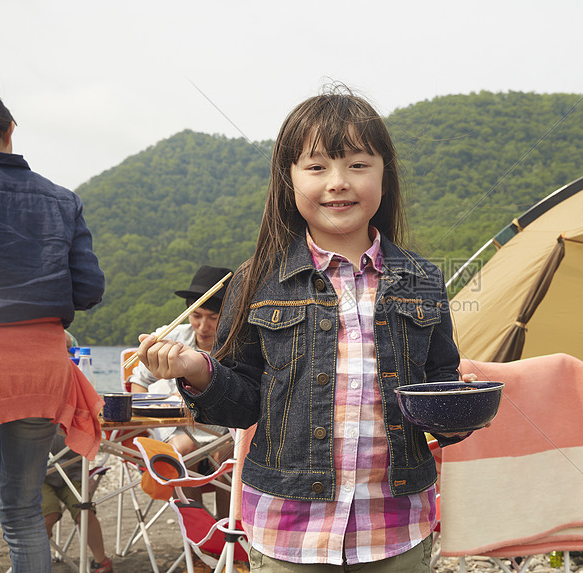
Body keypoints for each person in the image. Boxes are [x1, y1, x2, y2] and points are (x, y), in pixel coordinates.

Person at [134, 87, 472, 572]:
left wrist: (457, 407)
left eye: (358, 164)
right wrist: (197, 371)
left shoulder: (423, 279)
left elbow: (439, 380)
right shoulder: (255, 281)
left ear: (384, 174)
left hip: (398, 525)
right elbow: (244, 401)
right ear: (288, 179)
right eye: (316, 167)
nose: (338, 182)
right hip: (289, 528)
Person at [0, 83, 105, 572]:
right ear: (10, 131)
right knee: (24, 511)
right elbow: (88, 290)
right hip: (44, 372)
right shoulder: (60, 199)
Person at [127, 265, 233, 518]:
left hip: (223, 430)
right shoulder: (171, 338)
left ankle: (227, 534)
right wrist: (148, 411)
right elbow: (139, 380)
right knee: (182, 450)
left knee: (229, 458)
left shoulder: (236, 344)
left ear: (229, 314)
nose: (202, 326)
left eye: (212, 317)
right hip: (178, 428)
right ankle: (197, 536)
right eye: (196, 315)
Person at [43, 431, 113, 573]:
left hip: (73, 471)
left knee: (85, 512)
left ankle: (101, 562)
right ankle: (39, 562)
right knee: (49, 514)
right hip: (38, 475)